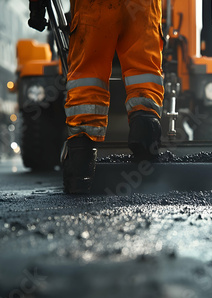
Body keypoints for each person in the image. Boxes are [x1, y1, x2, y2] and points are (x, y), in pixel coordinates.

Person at [28, 0, 164, 194]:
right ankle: (146, 137)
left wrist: (37, 7)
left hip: (94, 6)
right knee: (144, 70)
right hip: (144, 5)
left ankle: (80, 167)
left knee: (88, 77)